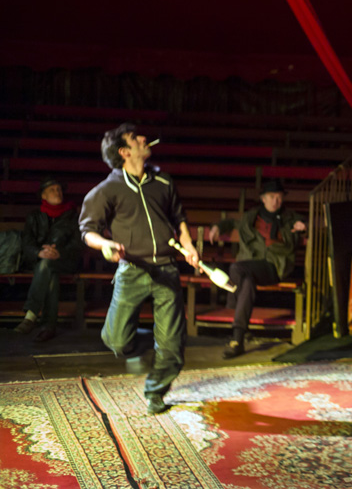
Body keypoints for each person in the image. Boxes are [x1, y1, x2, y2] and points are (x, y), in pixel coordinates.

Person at [79, 123, 201, 415]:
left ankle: (156, 391)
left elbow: (179, 218)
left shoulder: (163, 181)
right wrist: (105, 245)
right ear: (124, 151)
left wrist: (189, 245)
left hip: (167, 269)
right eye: (136, 138)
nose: (144, 138)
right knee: (117, 341)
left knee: (173, 346)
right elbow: (87, 231)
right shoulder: (106, 190)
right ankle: (146, 341)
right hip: (132, 270)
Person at [207, 179, 306, 359]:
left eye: (279, 197)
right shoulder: (251, 217)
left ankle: (232, 302)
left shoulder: (290, 217)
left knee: (237, 267)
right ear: (263, 198)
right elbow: (231, 223)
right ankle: (238, 339)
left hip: (274, 266)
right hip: (250, 268)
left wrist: (302, 226)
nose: (276, 200)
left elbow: (304, 222)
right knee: (247, 283)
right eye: (271, 196)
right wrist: (217, 227)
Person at [15, 176, 84, 341]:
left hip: (66, 260)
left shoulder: (72, 216)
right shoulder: (34, 216)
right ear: (43, 196)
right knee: (49, 271)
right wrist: (39, 252)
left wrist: (60, 253)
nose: (57, 192)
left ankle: (31, 315)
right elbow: (27, 243)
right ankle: (48, 326)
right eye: (52, 190)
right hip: (40, 261)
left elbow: (77, 245)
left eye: (59, 189)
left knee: (48, 266)